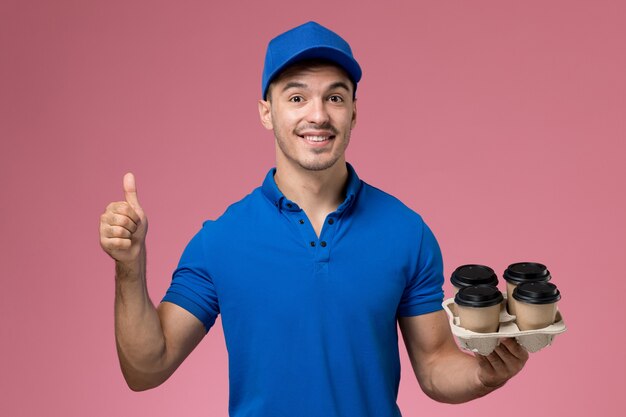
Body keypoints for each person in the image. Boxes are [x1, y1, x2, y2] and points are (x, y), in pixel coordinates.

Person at [99, 21, 528, 417]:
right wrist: (130, 269)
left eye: (335, 97)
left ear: (354, 113)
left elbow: (435, 363)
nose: (318, 115)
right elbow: (146, 369)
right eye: (297, 97)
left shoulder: (406, 232)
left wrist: (482, 373)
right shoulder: (221, 241)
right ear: (267, 111)